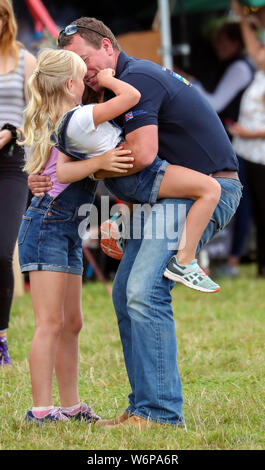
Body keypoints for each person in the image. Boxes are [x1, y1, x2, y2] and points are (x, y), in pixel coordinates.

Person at [29, 18, 242, 429]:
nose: (83, 72)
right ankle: (142, 406)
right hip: (169, 195)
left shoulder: (137, 76)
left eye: (86, 60)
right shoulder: (103, 90)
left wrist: (93, 176)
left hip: (206, 189)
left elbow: (140, 157)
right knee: (125, 291)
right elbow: (111, 163)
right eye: (74, 65)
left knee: (144, 291)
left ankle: (160, 415)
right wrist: (56, 177)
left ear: (108, 47)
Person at [18, 48, 139, 423]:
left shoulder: (69, 118)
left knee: (72, 323)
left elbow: (48, 172)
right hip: (47, 226)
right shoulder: (71, 118)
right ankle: (41, 411)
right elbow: (66, 175)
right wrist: (101, 162)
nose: (91, 80)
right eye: (85, 76)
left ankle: (71, 406)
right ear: (72, 84)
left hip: (68, 227)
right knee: (50, 323)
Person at [192, 20, 255, 277]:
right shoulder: (231, 65)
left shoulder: (239, 66)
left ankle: (232, 259)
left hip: (242, 143)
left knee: (242, 200)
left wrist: (188, 83)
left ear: (236, 42)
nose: (218, 45)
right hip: (236, 142)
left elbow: (216, 102)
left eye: (223, 40)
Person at [0, 0, 35, 366]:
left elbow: (40, 115)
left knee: (2, 251)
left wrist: (11, 132)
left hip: (12, 160)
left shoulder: (26, 61)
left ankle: (1, 338)